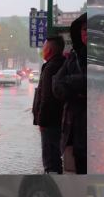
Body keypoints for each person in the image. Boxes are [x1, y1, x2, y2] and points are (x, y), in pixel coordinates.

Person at [52, 13, 87, 174]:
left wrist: (71, 81)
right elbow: (57, 84)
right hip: (76, 129)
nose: (86, 34)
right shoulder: (73, 57)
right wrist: (76, 90)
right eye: (84, 30)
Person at [35, 36, 66, 174]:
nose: (42, 50)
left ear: (50, 50)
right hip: (59, 119)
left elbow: (46, 97)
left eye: (44, 47)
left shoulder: (51, 67)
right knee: (55, 157)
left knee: (50, 159)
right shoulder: (62, 63)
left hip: (50, 121)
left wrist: (42, 121)